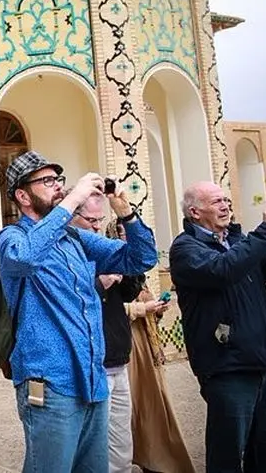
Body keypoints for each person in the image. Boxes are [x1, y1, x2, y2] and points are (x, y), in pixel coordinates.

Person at [0, 152, 157, 473]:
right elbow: (23, 259)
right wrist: (74, 200)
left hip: (92, 378)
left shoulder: (74, 238)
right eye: (46, 181)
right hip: (50, 382)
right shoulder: (12, 237)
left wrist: (125, 212)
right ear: (22, 196)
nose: (58, 187)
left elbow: (140, 259)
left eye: (58, 180)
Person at [168, 182, 266, 473]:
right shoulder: (185, 249)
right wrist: (265, 232)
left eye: (228, 200)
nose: (226, 206)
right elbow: (224, 269)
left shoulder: (239, 241)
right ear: (195, 212)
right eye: (218, 201)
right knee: (228, 455)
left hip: (260, 361)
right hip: (226, 366)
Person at [67, 193, 156, 473]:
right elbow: (65, 302)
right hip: (92, 364)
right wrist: (98, 283)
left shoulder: (104, 249)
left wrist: (126, 269)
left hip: (118, 355)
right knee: (94, 440)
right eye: (90, 220)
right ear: (71, 217)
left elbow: (130, 292)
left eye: (99, 220)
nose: (96, 227)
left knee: (120, 439)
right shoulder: (64, 252)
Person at [126, 284, 196, 473]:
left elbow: (148, 310)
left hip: (147, 349)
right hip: (126, 351)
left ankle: (155, 461)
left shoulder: (137, 276)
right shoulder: (106, 273)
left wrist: (156, 309)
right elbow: (107, 310)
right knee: (134, 410)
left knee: (153, 408)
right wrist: (141, 309)